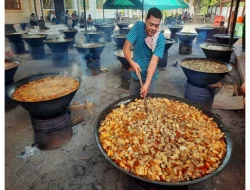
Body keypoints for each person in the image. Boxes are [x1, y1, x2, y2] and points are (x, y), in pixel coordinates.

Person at [123, 7, 165, 97]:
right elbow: (126, 47)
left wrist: (147, 84)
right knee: (132, 103)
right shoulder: (138, 27)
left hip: (151, 78)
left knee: (149, 105)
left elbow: (154, 62)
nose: (153, 28)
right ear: (146, 20)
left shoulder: (160, 39)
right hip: (136, 75)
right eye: (151, 24)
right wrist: (132, 63)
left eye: (156, 25)